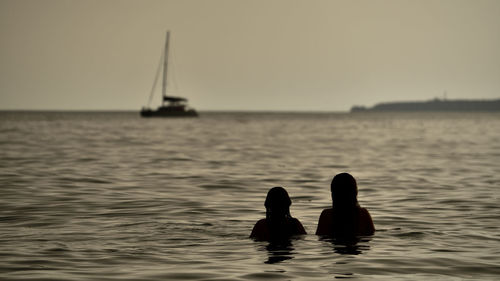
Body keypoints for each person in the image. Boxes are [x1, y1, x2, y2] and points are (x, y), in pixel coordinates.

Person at [316, 173, 375, 237]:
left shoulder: (327, 215)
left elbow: (320, 238)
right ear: (355, 193)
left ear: (333, 194)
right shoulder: (363, 214)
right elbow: (370, 236)